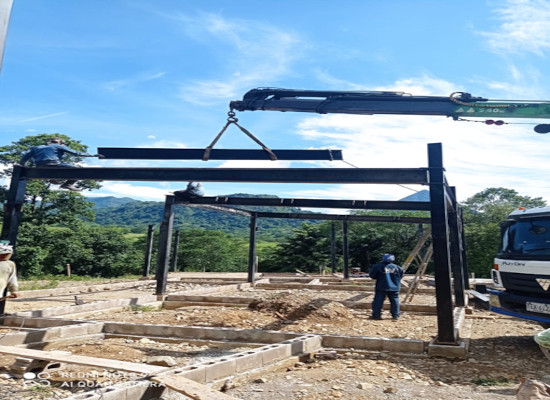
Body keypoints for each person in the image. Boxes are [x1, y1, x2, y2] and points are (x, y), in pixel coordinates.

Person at [19, 137, 101, 192]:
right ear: (60, 143)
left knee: (55, 168)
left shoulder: (36, 147)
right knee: (77, 171)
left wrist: (21, 166)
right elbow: (76, 153)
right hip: (54, 164)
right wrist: (93, 155)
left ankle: (53, 177)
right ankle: (67, 184)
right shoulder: (58, 146)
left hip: (40, 166)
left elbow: (24, 158)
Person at [369, 253, 404, 320]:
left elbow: (372, 276)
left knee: (378, 301)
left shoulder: (377, 266)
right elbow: (401, 276)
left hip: (381, 286)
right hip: (394, 287)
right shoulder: (397, 267)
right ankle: (395, 315)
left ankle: (376, 315)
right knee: (395, 301)